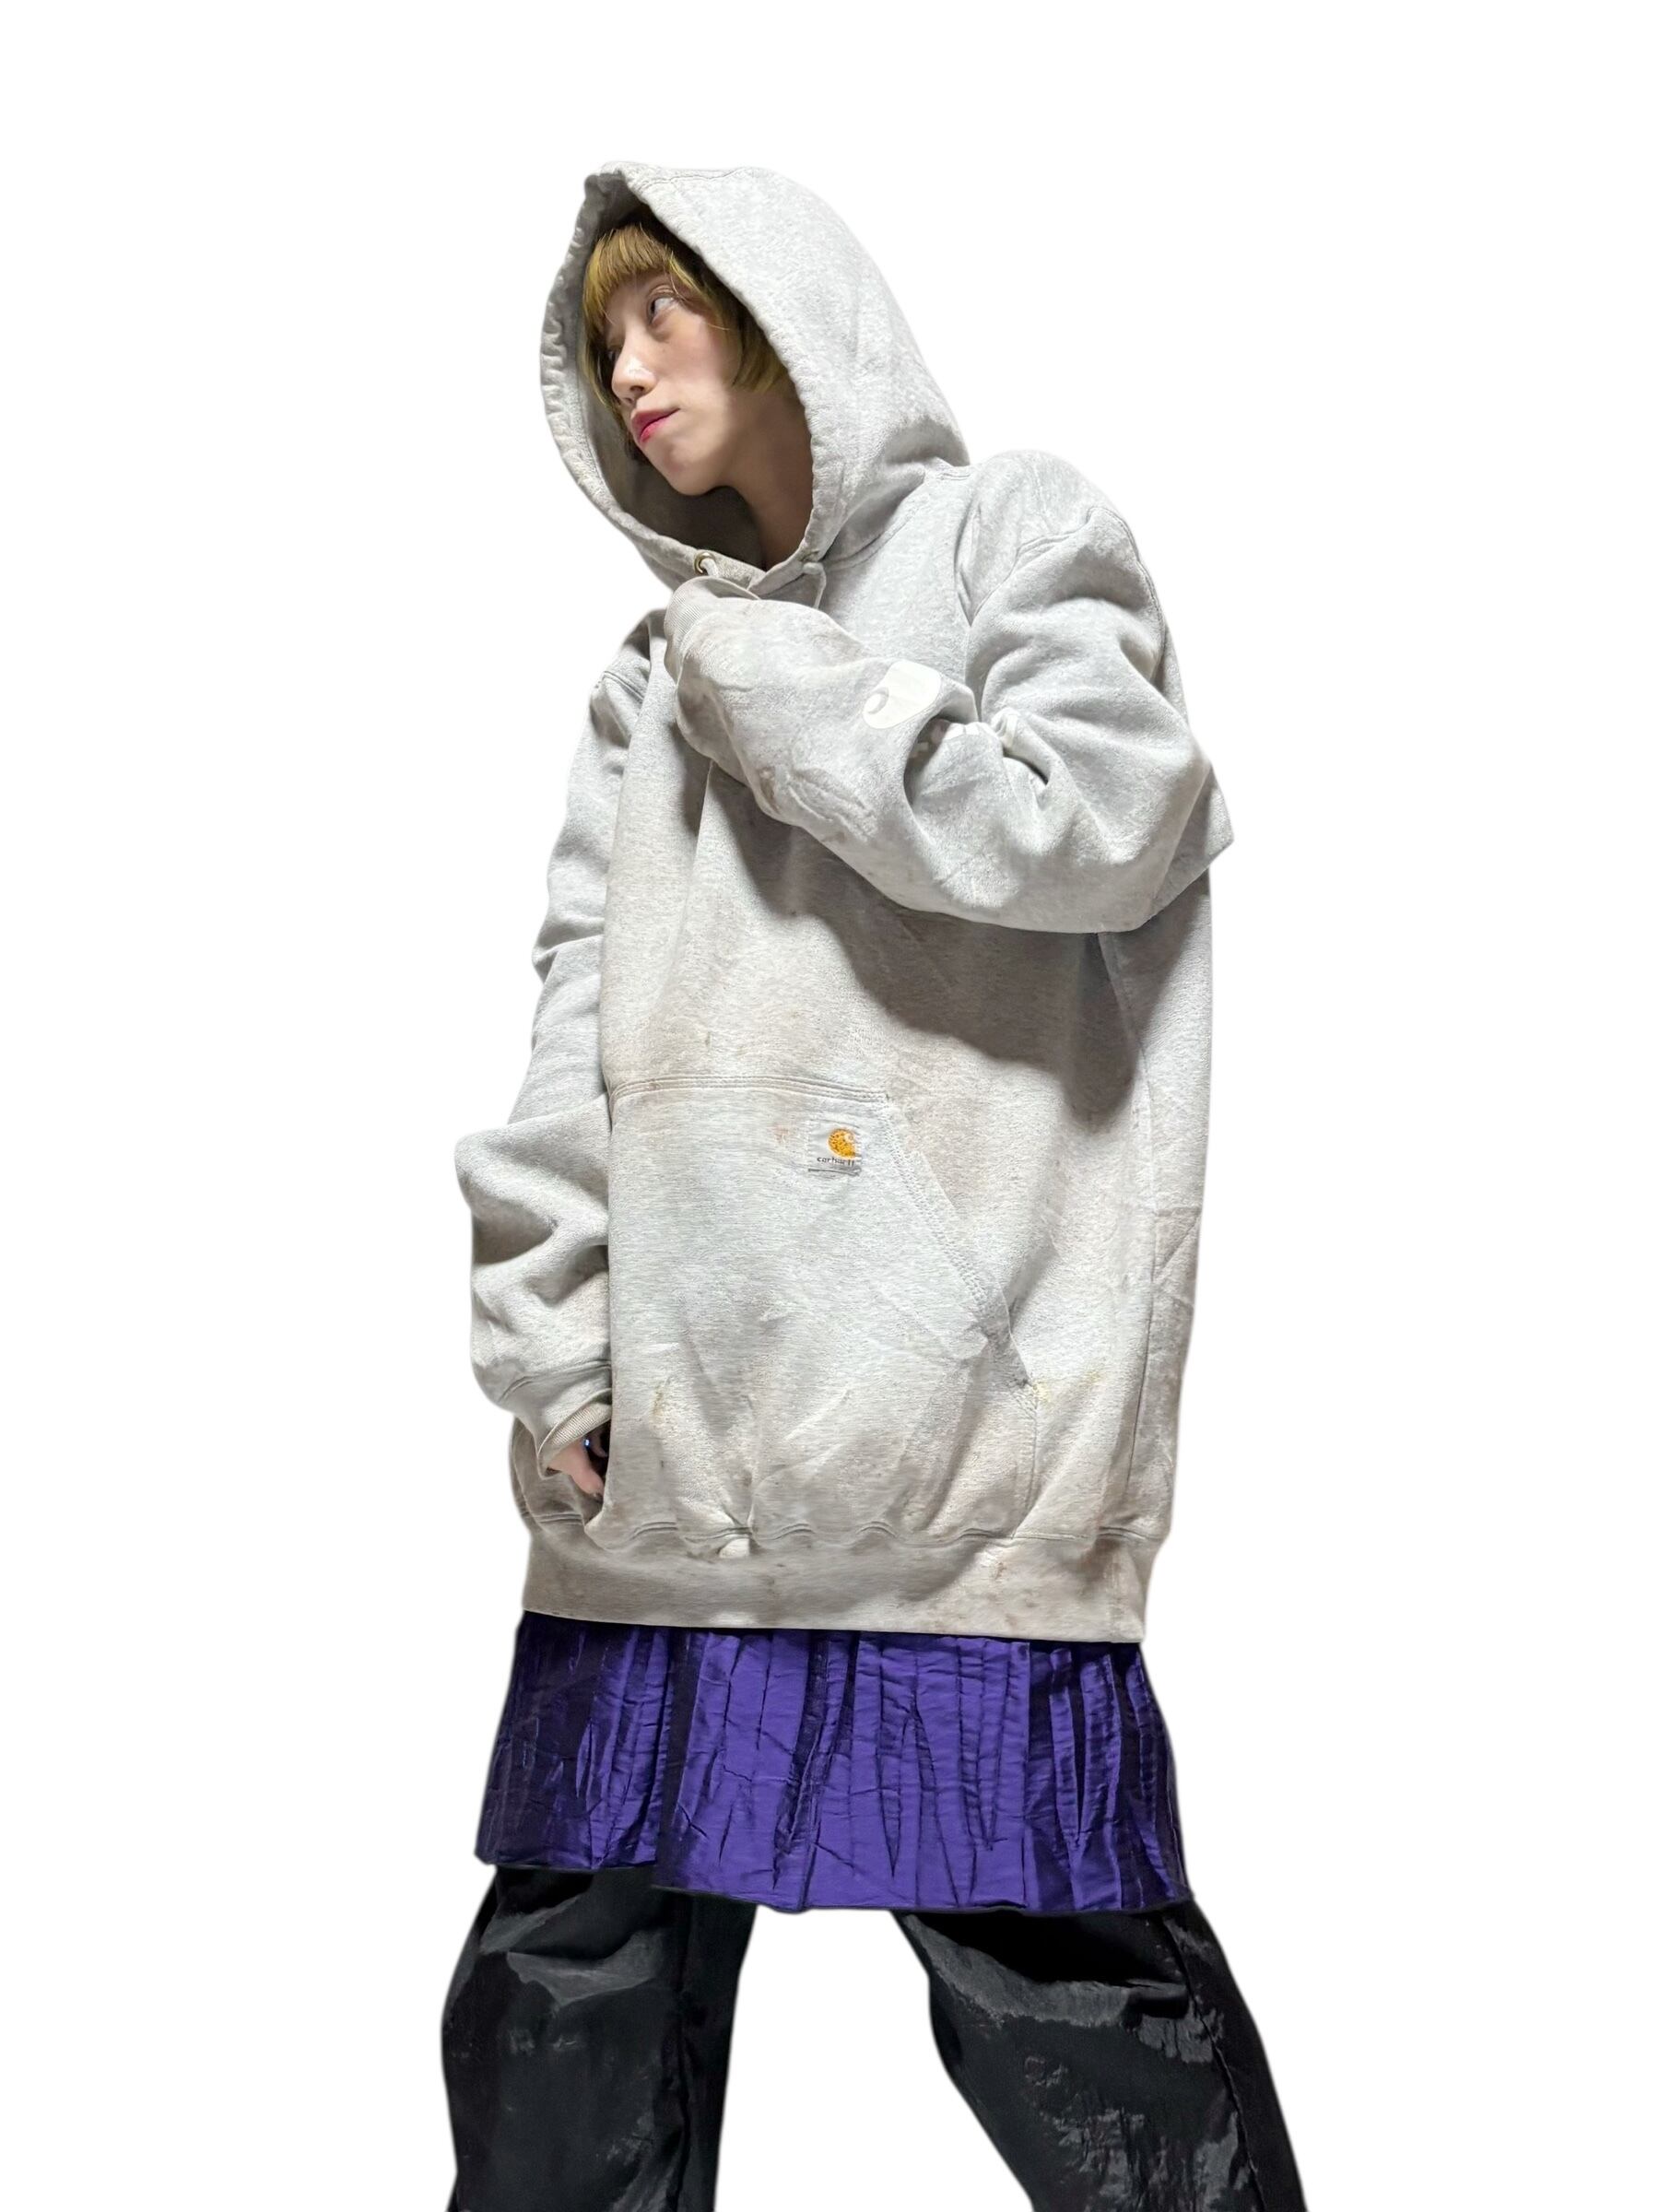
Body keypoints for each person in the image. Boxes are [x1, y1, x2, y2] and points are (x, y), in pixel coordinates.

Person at [443, 159, 1308, 2210]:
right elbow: (577, 1027)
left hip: (961, 1454)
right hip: (679, 1470)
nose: (630, 368)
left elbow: (1105, 823)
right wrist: (552, 1349)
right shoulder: (650, 679)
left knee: (1072, 1992)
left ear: (788, 319)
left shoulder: (1015, 530)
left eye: (668, 312)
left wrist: (780, 683)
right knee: (570, 1997)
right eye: (602, 340)